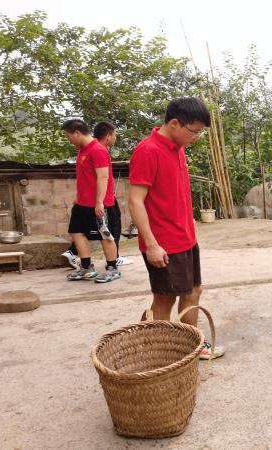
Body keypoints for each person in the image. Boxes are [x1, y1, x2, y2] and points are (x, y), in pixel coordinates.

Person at [129, 97, 224, 360]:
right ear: (174, 123)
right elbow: (135, 201)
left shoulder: (178, 146)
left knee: (194, 291)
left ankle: (191, 345)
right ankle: (160, 351)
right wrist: (151, 244)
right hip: (163, 243)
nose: (196, 137)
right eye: (193, 131)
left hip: (186, 238)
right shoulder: (148, 151)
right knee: (165, 299)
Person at [62, 122, 132, 268]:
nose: (69, 140)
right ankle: (86, 267)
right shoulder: (83, 150)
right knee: (76, 232)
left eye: (69, 136)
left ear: (77, 133)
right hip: (82, 202)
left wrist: (99, 202)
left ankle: (112, 268)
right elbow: (86, 177)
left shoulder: (97, 150)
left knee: (105, 235)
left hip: (97, 203)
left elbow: (103, 177)